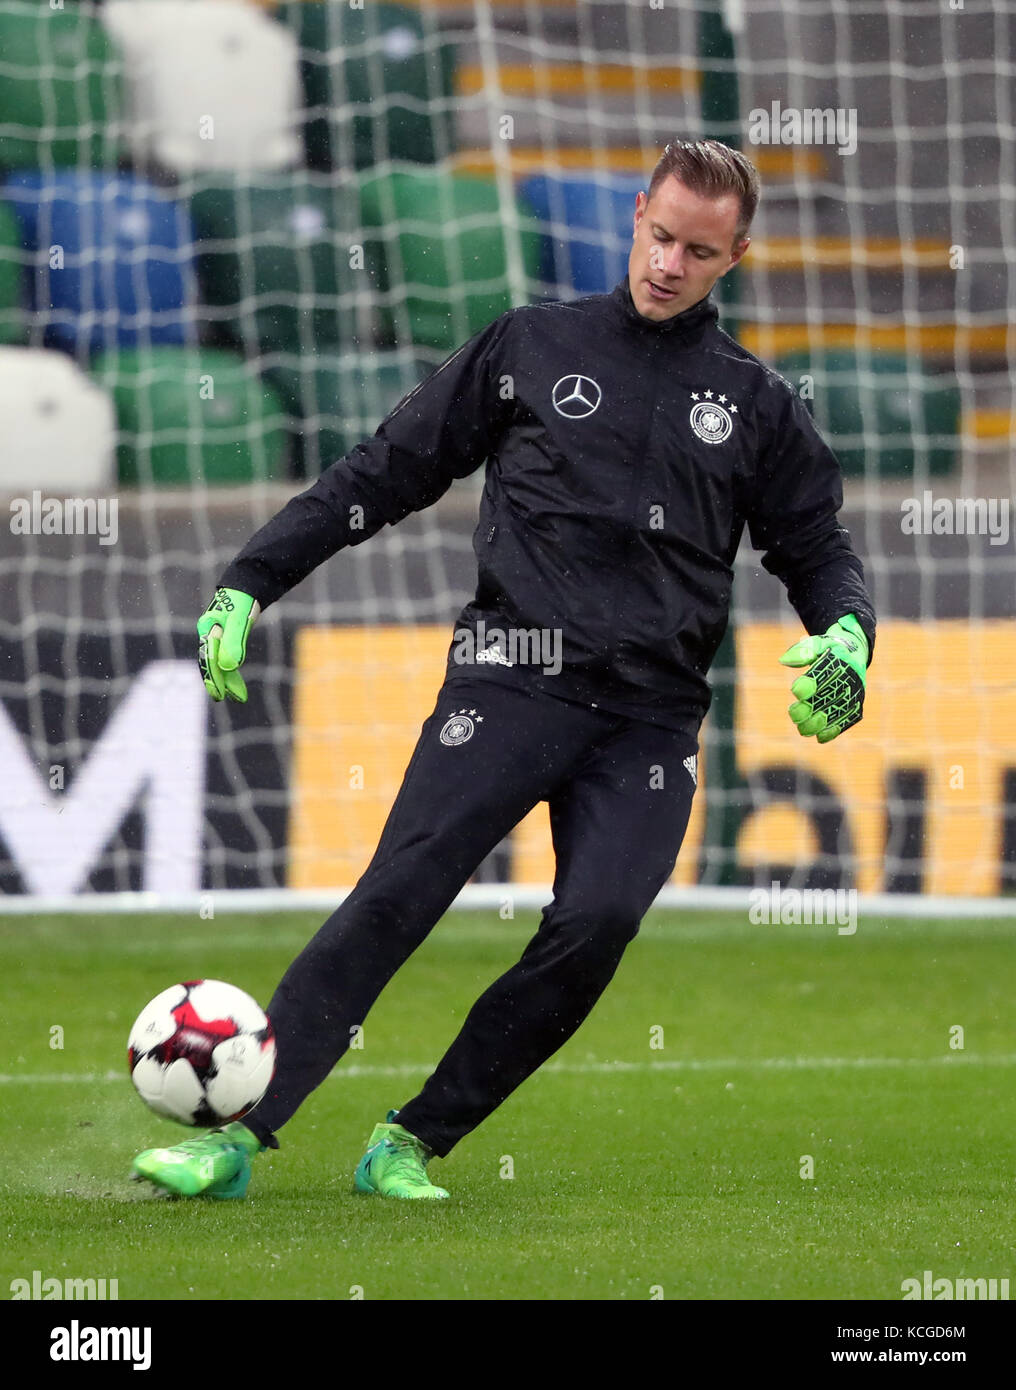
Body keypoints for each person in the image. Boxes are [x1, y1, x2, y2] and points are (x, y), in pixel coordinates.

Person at [132, 138, 875, 1202]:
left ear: (733, 257)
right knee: (398, 893)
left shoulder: (754, 402)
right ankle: (233, 1135)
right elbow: (385, 468)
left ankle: (414, 1135)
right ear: (635, 215)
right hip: (507, 681)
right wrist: (250, 580)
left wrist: (847, 633)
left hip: (649, 721)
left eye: (697, 250)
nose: (669, 263)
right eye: (659, 235)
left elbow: (819, 553)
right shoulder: (532, 342)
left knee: (596, 926)